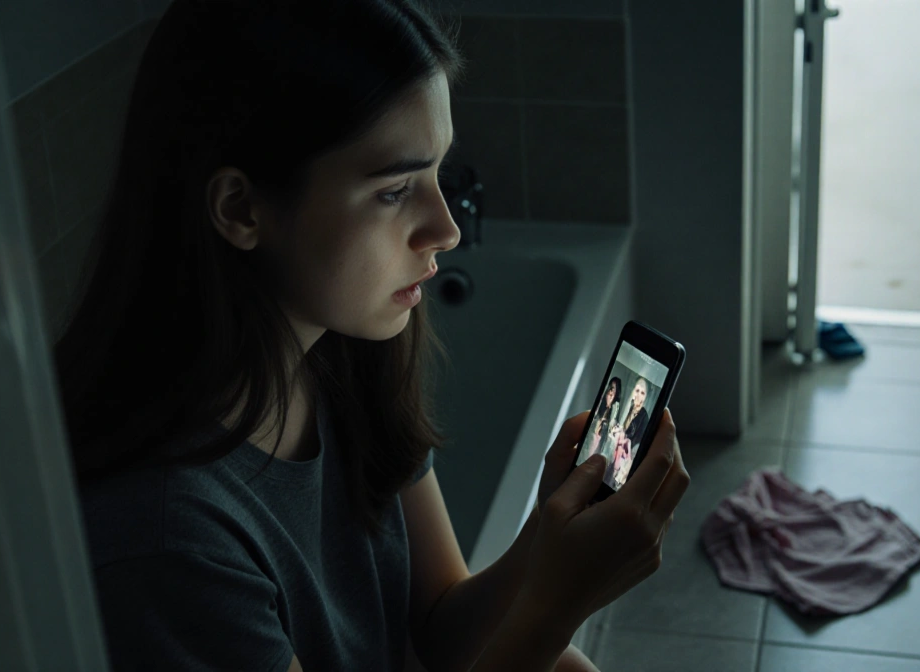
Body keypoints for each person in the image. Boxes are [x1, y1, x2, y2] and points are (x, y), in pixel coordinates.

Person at [57, 2, 690, 671]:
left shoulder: (345, 358)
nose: (445, 229)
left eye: (436, 173)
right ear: (242, 209)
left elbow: (442, 629)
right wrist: (559, 605)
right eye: (395, 191)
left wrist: (548, 533)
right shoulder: (167, 540)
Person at [622, 377, 652, 450]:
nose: (638, 395)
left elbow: (636, 446)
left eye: (642, 393)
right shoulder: (629, 408)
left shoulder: (644, 418)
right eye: (637, 390)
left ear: (646, 397)